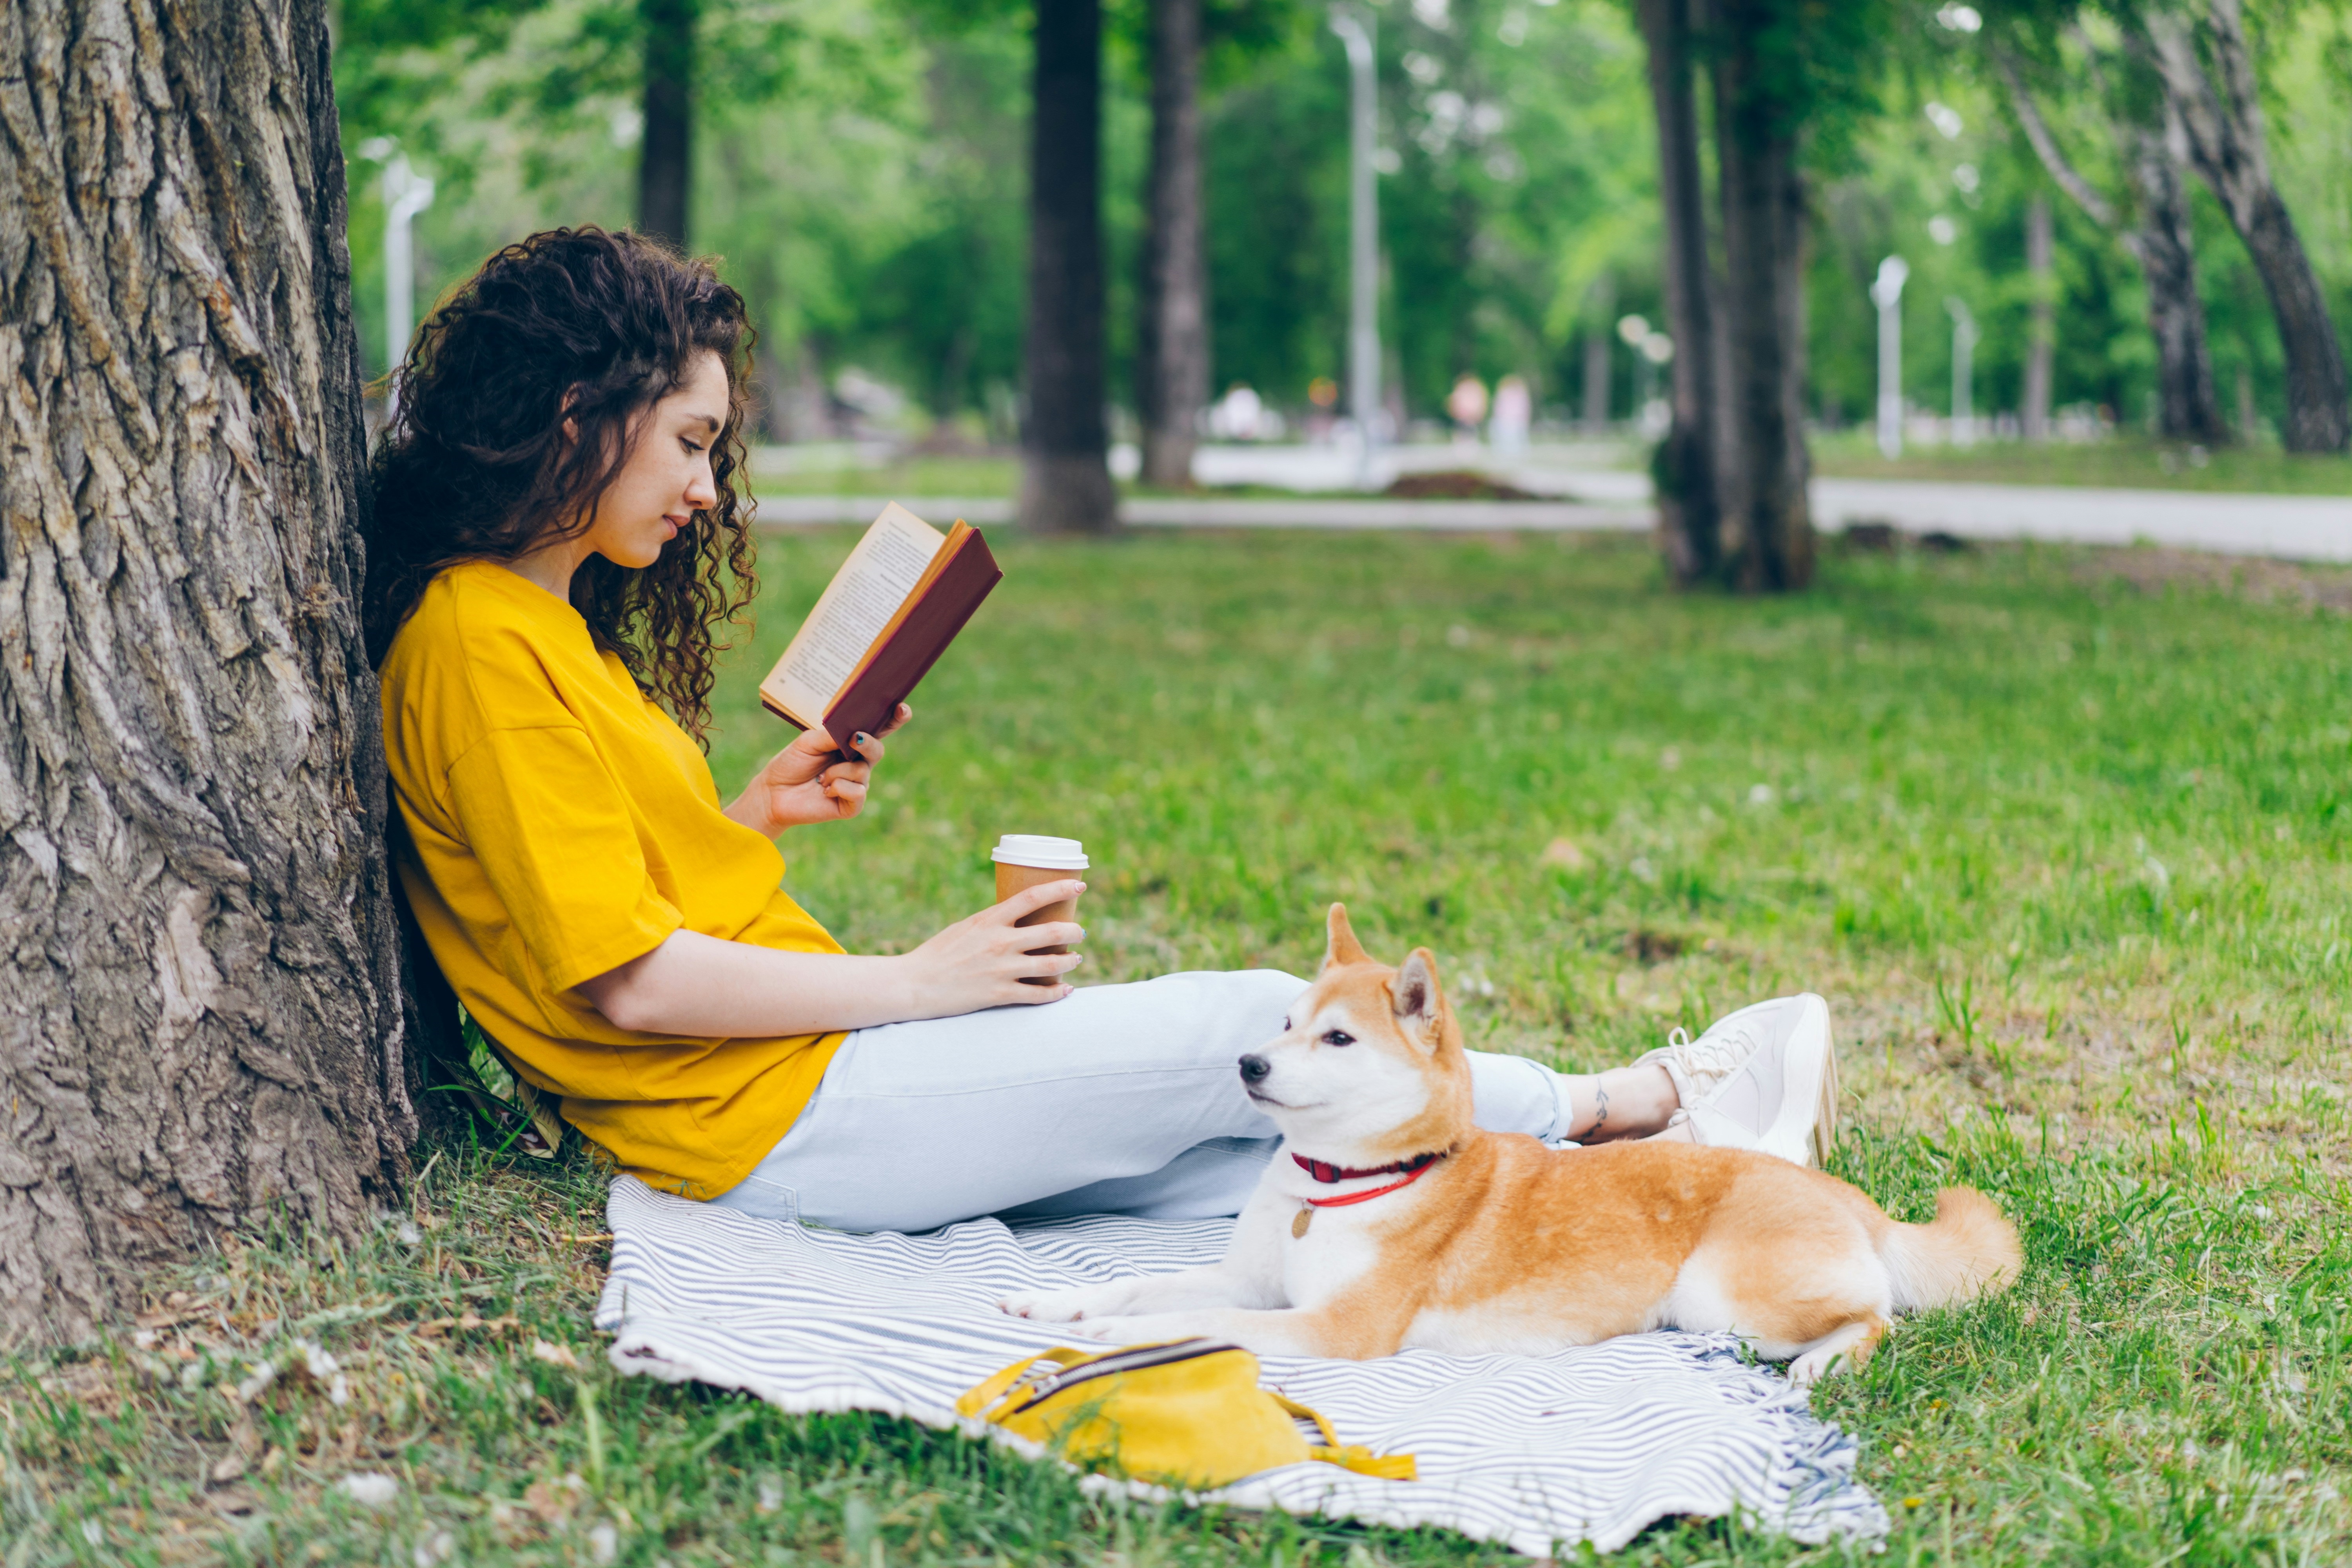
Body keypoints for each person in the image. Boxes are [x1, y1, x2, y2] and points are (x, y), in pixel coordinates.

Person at [368, 228, 1840, 1236]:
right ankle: (1634, 1102)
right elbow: (623, 985)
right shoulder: (479, 643)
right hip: (762, 1114)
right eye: (690, 441)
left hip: (781, 1096)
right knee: (1245, 1036)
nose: (705, 490)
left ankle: (1672, 1182)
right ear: (578, 410)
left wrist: (750, 815)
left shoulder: (539, 629)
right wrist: (924, 980)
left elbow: (598, 887)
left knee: (1245, 1164)